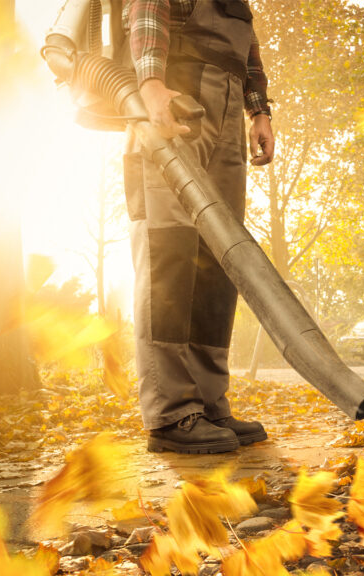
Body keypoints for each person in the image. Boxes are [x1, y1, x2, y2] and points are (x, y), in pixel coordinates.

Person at [123, 0, 275, 453]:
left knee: (219, 259)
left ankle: (208, 402)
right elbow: (147, 8)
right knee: (169, 252)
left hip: (227, 102)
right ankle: (171, 412)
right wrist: (150, 85)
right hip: (175, 96)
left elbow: (249, 49)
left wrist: (259, 110)